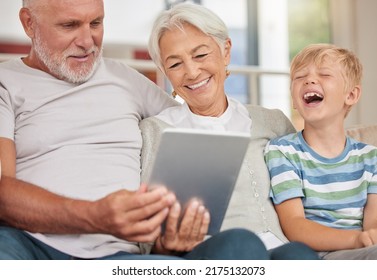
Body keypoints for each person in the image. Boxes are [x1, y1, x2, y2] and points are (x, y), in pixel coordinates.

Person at [0, 0, 274, 260]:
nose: (87, 41)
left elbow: (197, 122)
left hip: (120, 256)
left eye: (95, 23)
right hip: (27, 243)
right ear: (29, 24)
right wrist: (95, 215)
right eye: (69, 25)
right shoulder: (6, 83)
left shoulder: (126, 79)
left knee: (240, 247)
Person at [142, 2, 319, 259]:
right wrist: (166, 242)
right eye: (175, 64)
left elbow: (312, 192)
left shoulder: (272, 122)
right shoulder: (154, 132)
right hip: (208, 255)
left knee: (299, 254)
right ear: (164, 72)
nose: (192, 72)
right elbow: (144, 237)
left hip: (278, 249)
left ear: (225, 51)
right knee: (242, 243)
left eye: (200, 55)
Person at [264, 43, 377, 259]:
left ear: (351, 95)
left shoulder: (371, 158)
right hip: (322, 255)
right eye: (299, 77)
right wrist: (355, 239)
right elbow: (295, 226)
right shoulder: (283, 151)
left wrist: (367, 239)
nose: (309, 80)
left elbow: (373, 226)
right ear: (293, 98)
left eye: (324, 74)